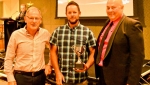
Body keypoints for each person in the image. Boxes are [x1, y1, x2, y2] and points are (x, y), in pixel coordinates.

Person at [94, 0, 145, 85]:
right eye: (108, 8)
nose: (110, 10)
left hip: (120, 79)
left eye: (113, 7)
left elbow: (137, 57)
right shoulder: (108, 22)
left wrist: (131, 82)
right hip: (103, 75)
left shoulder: (132, 25)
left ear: (122, 7)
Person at [50, 1, 96, 85]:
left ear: (79, 13)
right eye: (69, 12)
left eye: (74, 12)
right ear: (66, 14)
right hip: (63, 79)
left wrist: (87, 65)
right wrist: (57, 72)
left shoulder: (87, 32)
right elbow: (53, 52)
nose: (72, 15)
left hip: (81, 80)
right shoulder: (58, 31)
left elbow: (93, 52)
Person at [4, 6, 52, 85]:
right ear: (25, 19)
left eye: (36, 18)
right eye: (31, 18)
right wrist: (10, 78)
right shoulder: (16, 35)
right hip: (21, 78)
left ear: (40, 20)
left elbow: (54, 49)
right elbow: (9, 57)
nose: (34, 21)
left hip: (40, 77)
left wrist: (49, 64)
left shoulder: (45, 34)